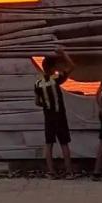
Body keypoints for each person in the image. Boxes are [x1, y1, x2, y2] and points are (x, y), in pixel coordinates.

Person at [34, 50, 76, 179]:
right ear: (53, 68)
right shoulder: (55, 79)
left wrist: (46, 104)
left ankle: (51, 172)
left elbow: (37, 102)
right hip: (60, 116)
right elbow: (72, 67)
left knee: (49, 144)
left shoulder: (38, 83)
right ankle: (69, 172)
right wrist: (64, 54)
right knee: (64, 144)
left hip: (49, 117)